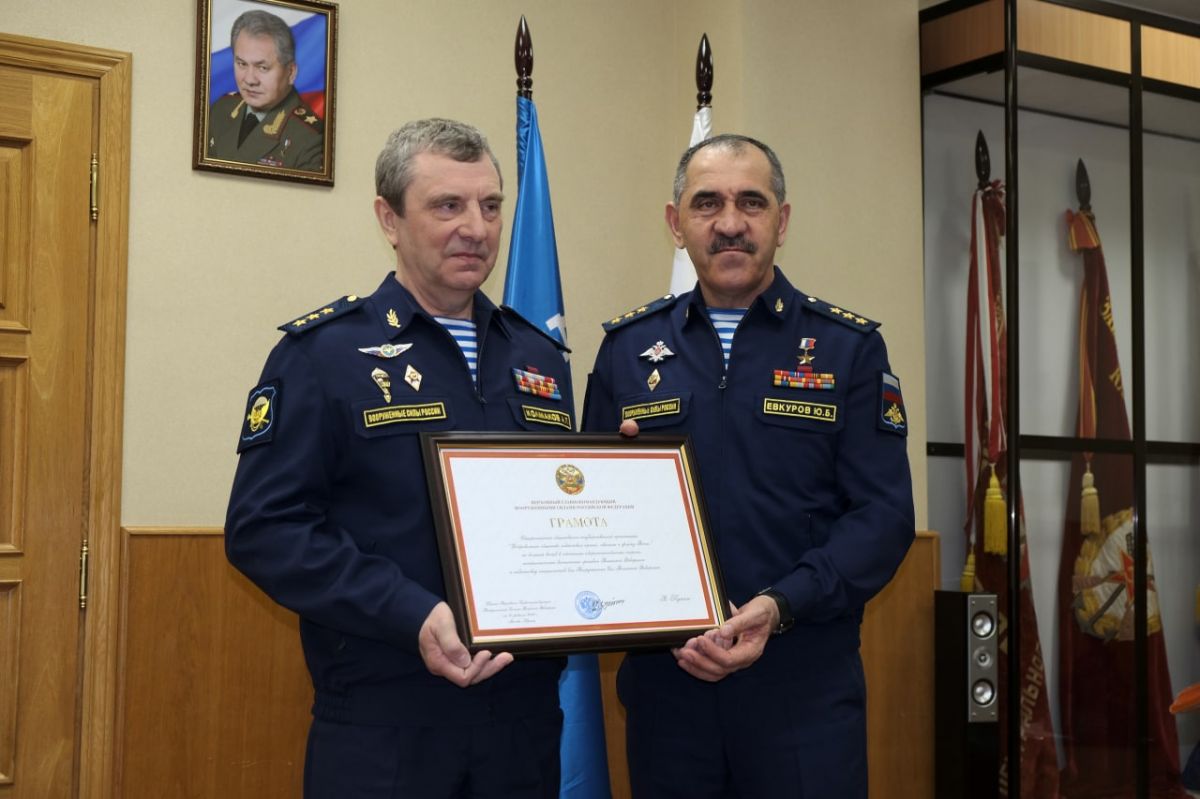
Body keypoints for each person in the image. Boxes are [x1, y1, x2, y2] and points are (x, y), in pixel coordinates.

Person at [225, 118, 573, 798]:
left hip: (522, 721)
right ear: (389, 218)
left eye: (491, 206)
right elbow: (264, 529)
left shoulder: (538, 356)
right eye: (448, 205)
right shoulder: (323, 355)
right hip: (386, 722)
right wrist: (407, 611)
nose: (476, 228)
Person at [581, 134, 915, 798]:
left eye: (751, 203)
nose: (730, 222)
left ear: (781, 221)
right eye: (707, 203)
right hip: (670, 692)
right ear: (676, 223)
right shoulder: (627, 350)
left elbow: (883, 517)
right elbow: (588, 510)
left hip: (804, 693)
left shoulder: (847, 349)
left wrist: (780, 605)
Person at [207, 9, 324, 171]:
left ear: (290, 72)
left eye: (262, 67)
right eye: (242, 64)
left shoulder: (311, 138)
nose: (250, 80)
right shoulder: (221, 108)